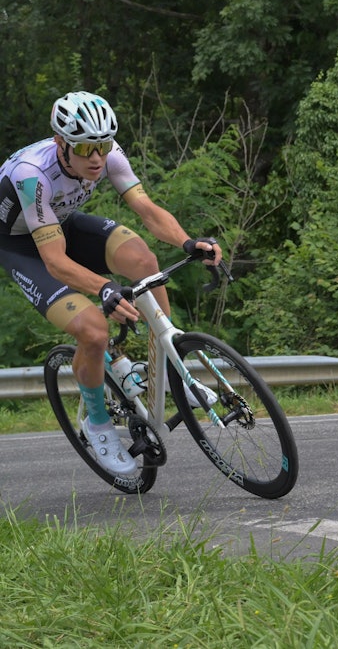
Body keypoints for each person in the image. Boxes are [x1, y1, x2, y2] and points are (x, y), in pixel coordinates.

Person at [0, 92, 222, 479]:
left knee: (145, 262)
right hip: (23, 248)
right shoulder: (31, 175)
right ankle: (98, 424)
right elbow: (54, 261)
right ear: (60, 143)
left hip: (62, 223)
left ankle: (170, 368)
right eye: (86, 148)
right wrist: (105, 287)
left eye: (102, 146)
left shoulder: (108, 153)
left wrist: (188, 242)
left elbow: (147, 209)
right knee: (94, 331)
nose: (96, 158)